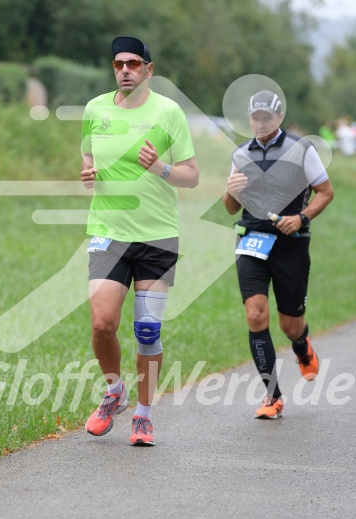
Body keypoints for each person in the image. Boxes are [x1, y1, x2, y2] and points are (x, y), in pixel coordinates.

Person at [81, 36, 199, 445]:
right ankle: (115, 391)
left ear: (149, 68)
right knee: (102, 324)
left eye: (133, 63)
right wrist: (88, 172)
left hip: (157, 239)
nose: (125, 69)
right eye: (118, 63)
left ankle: (144, 416)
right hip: (108, 234)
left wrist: (162, 167)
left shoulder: (168, 112)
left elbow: (192, 175)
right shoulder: (95, 108)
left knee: (147, 331)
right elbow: (87, 155)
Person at [223, 90, 334, 419]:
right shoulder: (241, 153)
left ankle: (301, 345)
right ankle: (273, 397)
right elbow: (230, 207)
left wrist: (301, 218)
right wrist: (231, 190)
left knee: (290, 324)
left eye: (265, 118)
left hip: (291, 243)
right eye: (254, 118)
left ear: (279, 117)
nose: (259, 123)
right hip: (252, 240)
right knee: (256, 315)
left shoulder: (301, 149)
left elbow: (325, 192)